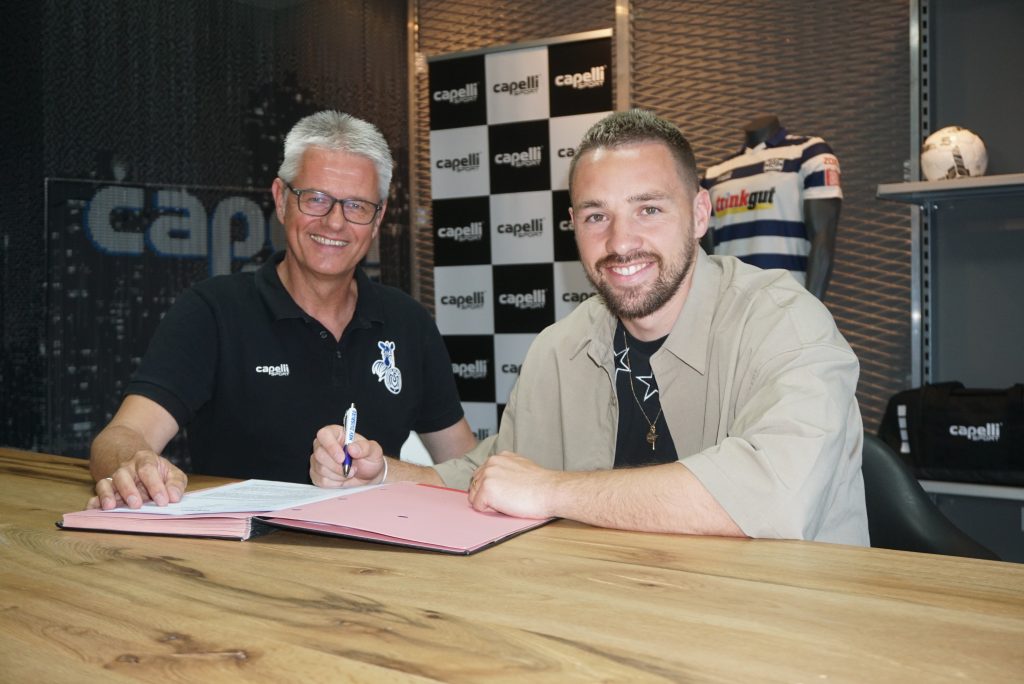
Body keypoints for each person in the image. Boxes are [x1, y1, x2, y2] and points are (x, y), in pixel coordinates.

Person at [314, 109, 868, 545]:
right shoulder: (560, 350)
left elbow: (777, 497)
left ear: (701, 213)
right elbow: (489, 475)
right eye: (596, 215)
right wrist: (381, 475)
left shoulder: (783, 322)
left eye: (649, 209)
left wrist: (553, 491)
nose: (621, 242)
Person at [89, 110, 476, 510]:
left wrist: (387, 473)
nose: (335, 222)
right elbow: (120, 436)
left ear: (378, 218)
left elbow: (465, 466)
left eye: (357, 206)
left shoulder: (409, 322)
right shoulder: (213, 311)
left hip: (380, 547)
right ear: (281, 199)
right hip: (237, 547)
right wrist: (136, 464)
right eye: (316, 199)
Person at [701, 114, 842, 300]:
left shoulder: (810, 153)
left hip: (788, 302)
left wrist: (812, 309)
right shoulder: (714, 174)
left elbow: (823, 237)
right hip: (731, 305)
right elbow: (708, 258)